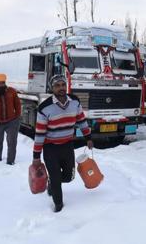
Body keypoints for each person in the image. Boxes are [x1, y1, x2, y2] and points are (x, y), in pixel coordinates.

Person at [32, 75, 93, 212]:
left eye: (63, 85)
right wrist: (36, 156)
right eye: (57, 85)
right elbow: (40, 133)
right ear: (52, 88)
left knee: (68, 176)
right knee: (55, 177)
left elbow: (81, 121)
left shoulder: (75, 102)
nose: (61, 88)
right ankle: (58, 206)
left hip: (67, 145)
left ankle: (52, 184)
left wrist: (88, 137)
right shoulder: (44, 108)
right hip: (50, 148)